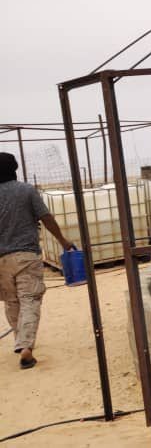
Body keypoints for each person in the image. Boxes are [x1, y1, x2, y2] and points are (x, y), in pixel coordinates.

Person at [0, 152, 74, 369]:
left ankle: (20, 340)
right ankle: (26, 347)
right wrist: (62, 240)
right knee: (30, 299)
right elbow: (46, 218)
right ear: (14, 169)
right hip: (26, 255)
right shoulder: (26, 190)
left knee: (12, 301)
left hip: (1, 260)